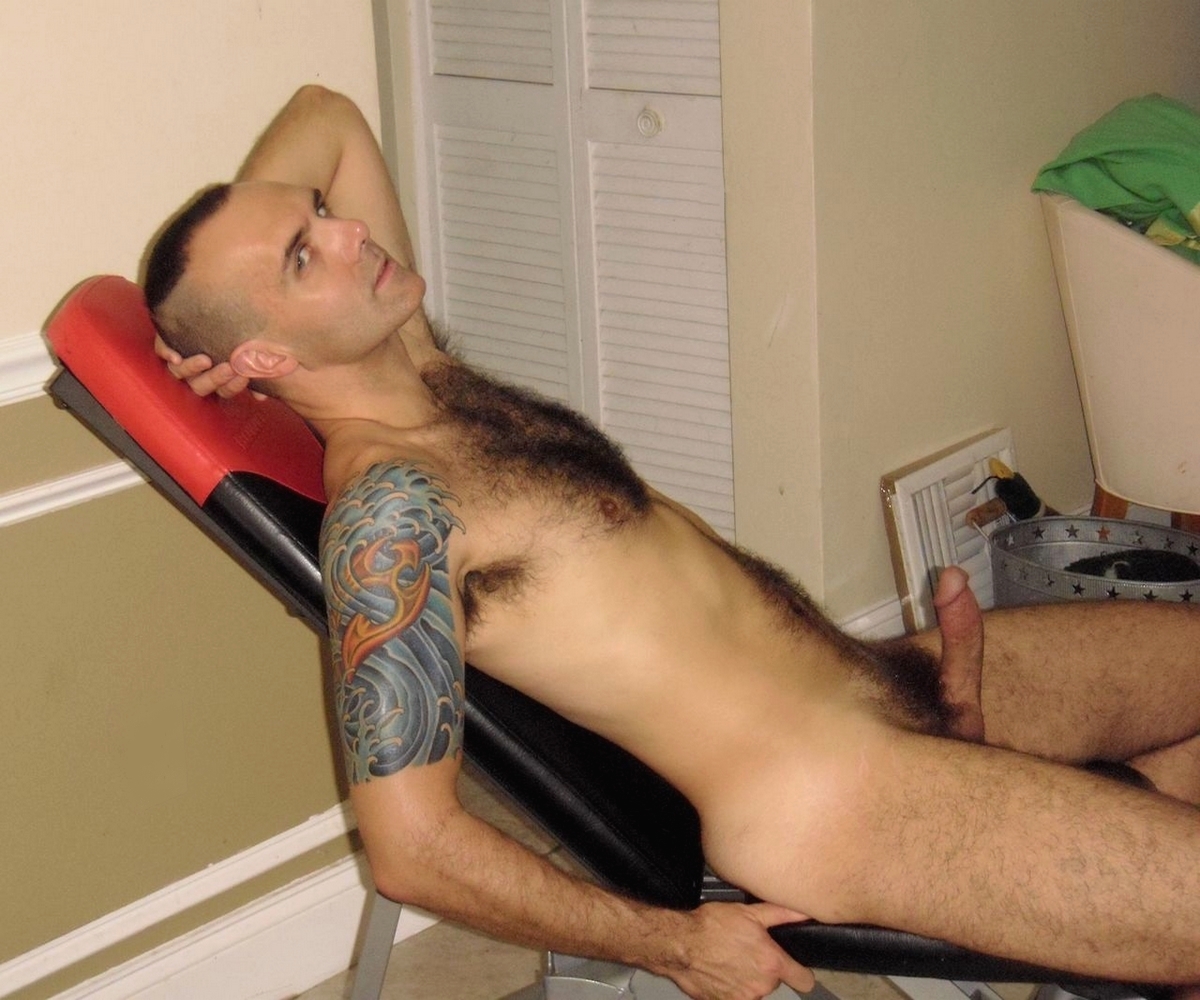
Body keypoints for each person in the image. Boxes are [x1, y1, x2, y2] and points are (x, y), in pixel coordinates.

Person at [145, 85, 1200, 1000]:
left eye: (322, 215)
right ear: (267, 354)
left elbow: (327, 116)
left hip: (885, 681)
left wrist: (212, 315)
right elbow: (413, 850)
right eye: (303, 256)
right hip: (845, 800)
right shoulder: (390, 513)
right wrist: (677, 944)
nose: (347, 236)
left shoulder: (426, 373)